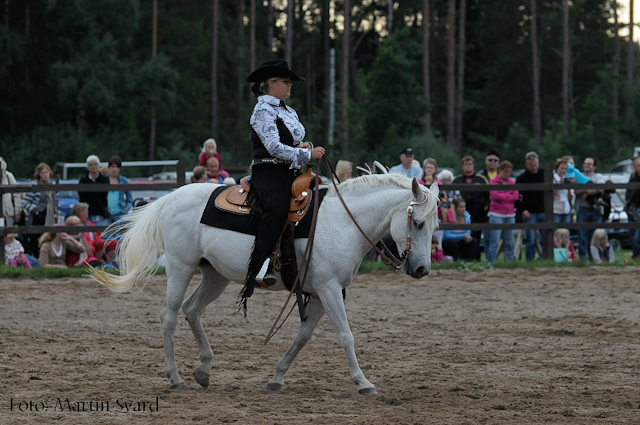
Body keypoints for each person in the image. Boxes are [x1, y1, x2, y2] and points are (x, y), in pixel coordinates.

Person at [241, 59, 325, 306]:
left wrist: (304, 147)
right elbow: (275, 148)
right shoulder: (262, 111)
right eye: (286, 81)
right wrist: (307, 154)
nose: (290, 85)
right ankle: (261, 266)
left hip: (290, 171)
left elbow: (291, 143)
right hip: (268, 172)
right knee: (277, 209)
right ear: (271, 84)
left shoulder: (288, 111)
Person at [452, 155, 489, 259]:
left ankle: (476, 258)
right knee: (461, 235)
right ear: (462, 166)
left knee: (476, 236)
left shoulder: (481, 179)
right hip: (461, 213)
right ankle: (461, 257)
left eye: (470, 164)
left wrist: (485, 210)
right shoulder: (457, 180)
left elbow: (488, 195)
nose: (468, 166)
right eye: (466, 164)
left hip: (478, 213)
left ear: (473, 165)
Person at [21, 162, 58, 257]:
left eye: (46, 172)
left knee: (51, 237)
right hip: (37, 217)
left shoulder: (53, 186)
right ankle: (36, 257)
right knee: (35, 239)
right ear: (39, 174)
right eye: (42, 173)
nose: (45, 175)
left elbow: (55, 201)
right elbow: (24, 202)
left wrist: (55, 212)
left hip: (49, 216)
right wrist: (34, 210)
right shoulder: (35, 185)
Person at [486, 161, 519, 263]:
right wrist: (508, 196)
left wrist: (504, 197)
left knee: (509, 241)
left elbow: (516, 196)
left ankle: (509, 261)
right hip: (496, 214)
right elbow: (496, 196)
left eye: (509, 172)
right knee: (494, 241)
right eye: (506, 172)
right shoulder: (493, 182)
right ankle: (492, 261)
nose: (508, 175)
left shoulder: (511, 182)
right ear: (500, 170)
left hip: (510, 214)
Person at [574, 157, 606, 260]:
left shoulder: (598, 176)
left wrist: (585, 191)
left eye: (589, 164)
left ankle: (595, 258)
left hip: (595, 210)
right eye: (585, 164)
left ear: (594, 167)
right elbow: (575, 191)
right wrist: (588, 190)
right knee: (582, 236)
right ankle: (583, 259)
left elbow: (601, 187)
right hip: (583, 209)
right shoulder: (579, 176)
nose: (586, 166)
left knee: (596, 236)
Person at [516, 151, 545, 261]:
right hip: (530, 212)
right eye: (531, 165)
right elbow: (516, 197)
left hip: (544, 210)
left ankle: (546, 259)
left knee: (547, 238)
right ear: (526, 164)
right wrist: (522, 210)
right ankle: (530, 261)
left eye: (535, 165)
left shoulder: (545, 173)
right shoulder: (521, 178)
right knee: (531, 239)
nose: (533, 167)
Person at [78, 155, 110, 225]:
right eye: (91, 165)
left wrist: (90, 191)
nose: (93, 166)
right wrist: (96, 191)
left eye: (95, 164)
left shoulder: (104, 179)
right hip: (86, 213)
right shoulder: (83, 180)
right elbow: (82, 195)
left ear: (98, 165)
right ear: (88, 166)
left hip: (100, 212)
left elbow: (103, 194)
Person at [106, 156, 133, 223]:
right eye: (113, 166)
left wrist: (124, 211)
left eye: (117, 167)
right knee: (104, 233)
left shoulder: (124, 181)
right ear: (109, 167)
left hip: (119, 215)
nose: (115, 169)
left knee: (121, 233)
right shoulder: (104, 180)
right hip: (106, 215)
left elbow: (130, 199)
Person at [625, 156, 640, 261]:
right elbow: (628, 194)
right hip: (633, 210)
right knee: (632, 235)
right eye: (638, 165)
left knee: (637, 237)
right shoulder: (632, 178)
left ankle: (637, 256)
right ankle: (636, 256)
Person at [1, 157, 22, 226]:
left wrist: (17, 212)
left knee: (9, 234)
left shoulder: (9, 177)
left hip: (8, 213)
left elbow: (16, 195)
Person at [553, 159, 572, 223]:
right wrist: (559, 185)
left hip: (566, 210)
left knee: (565, 231)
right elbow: (550, 195)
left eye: (565, 169)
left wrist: (568, 187)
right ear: (557, 168)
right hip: (556, 210)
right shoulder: (553, 179)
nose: (563, 171)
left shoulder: (566, 179)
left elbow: (570, 198)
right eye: (562, 168)